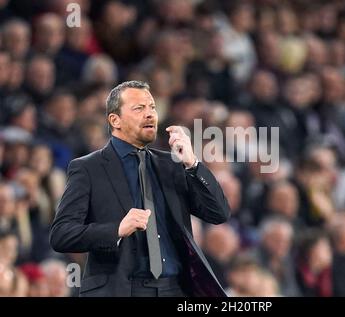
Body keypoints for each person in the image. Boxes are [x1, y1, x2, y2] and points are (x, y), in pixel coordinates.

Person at [49, 80, 230, 297]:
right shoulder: (88, 168)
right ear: (115, 120)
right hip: (123, 290)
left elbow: (218, 213)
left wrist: (193, 164)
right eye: (139, 108)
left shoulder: (172, 164)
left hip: (175, 290)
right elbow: (61, 234)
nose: (150, 114)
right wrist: (116, 229)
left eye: (152, 107)